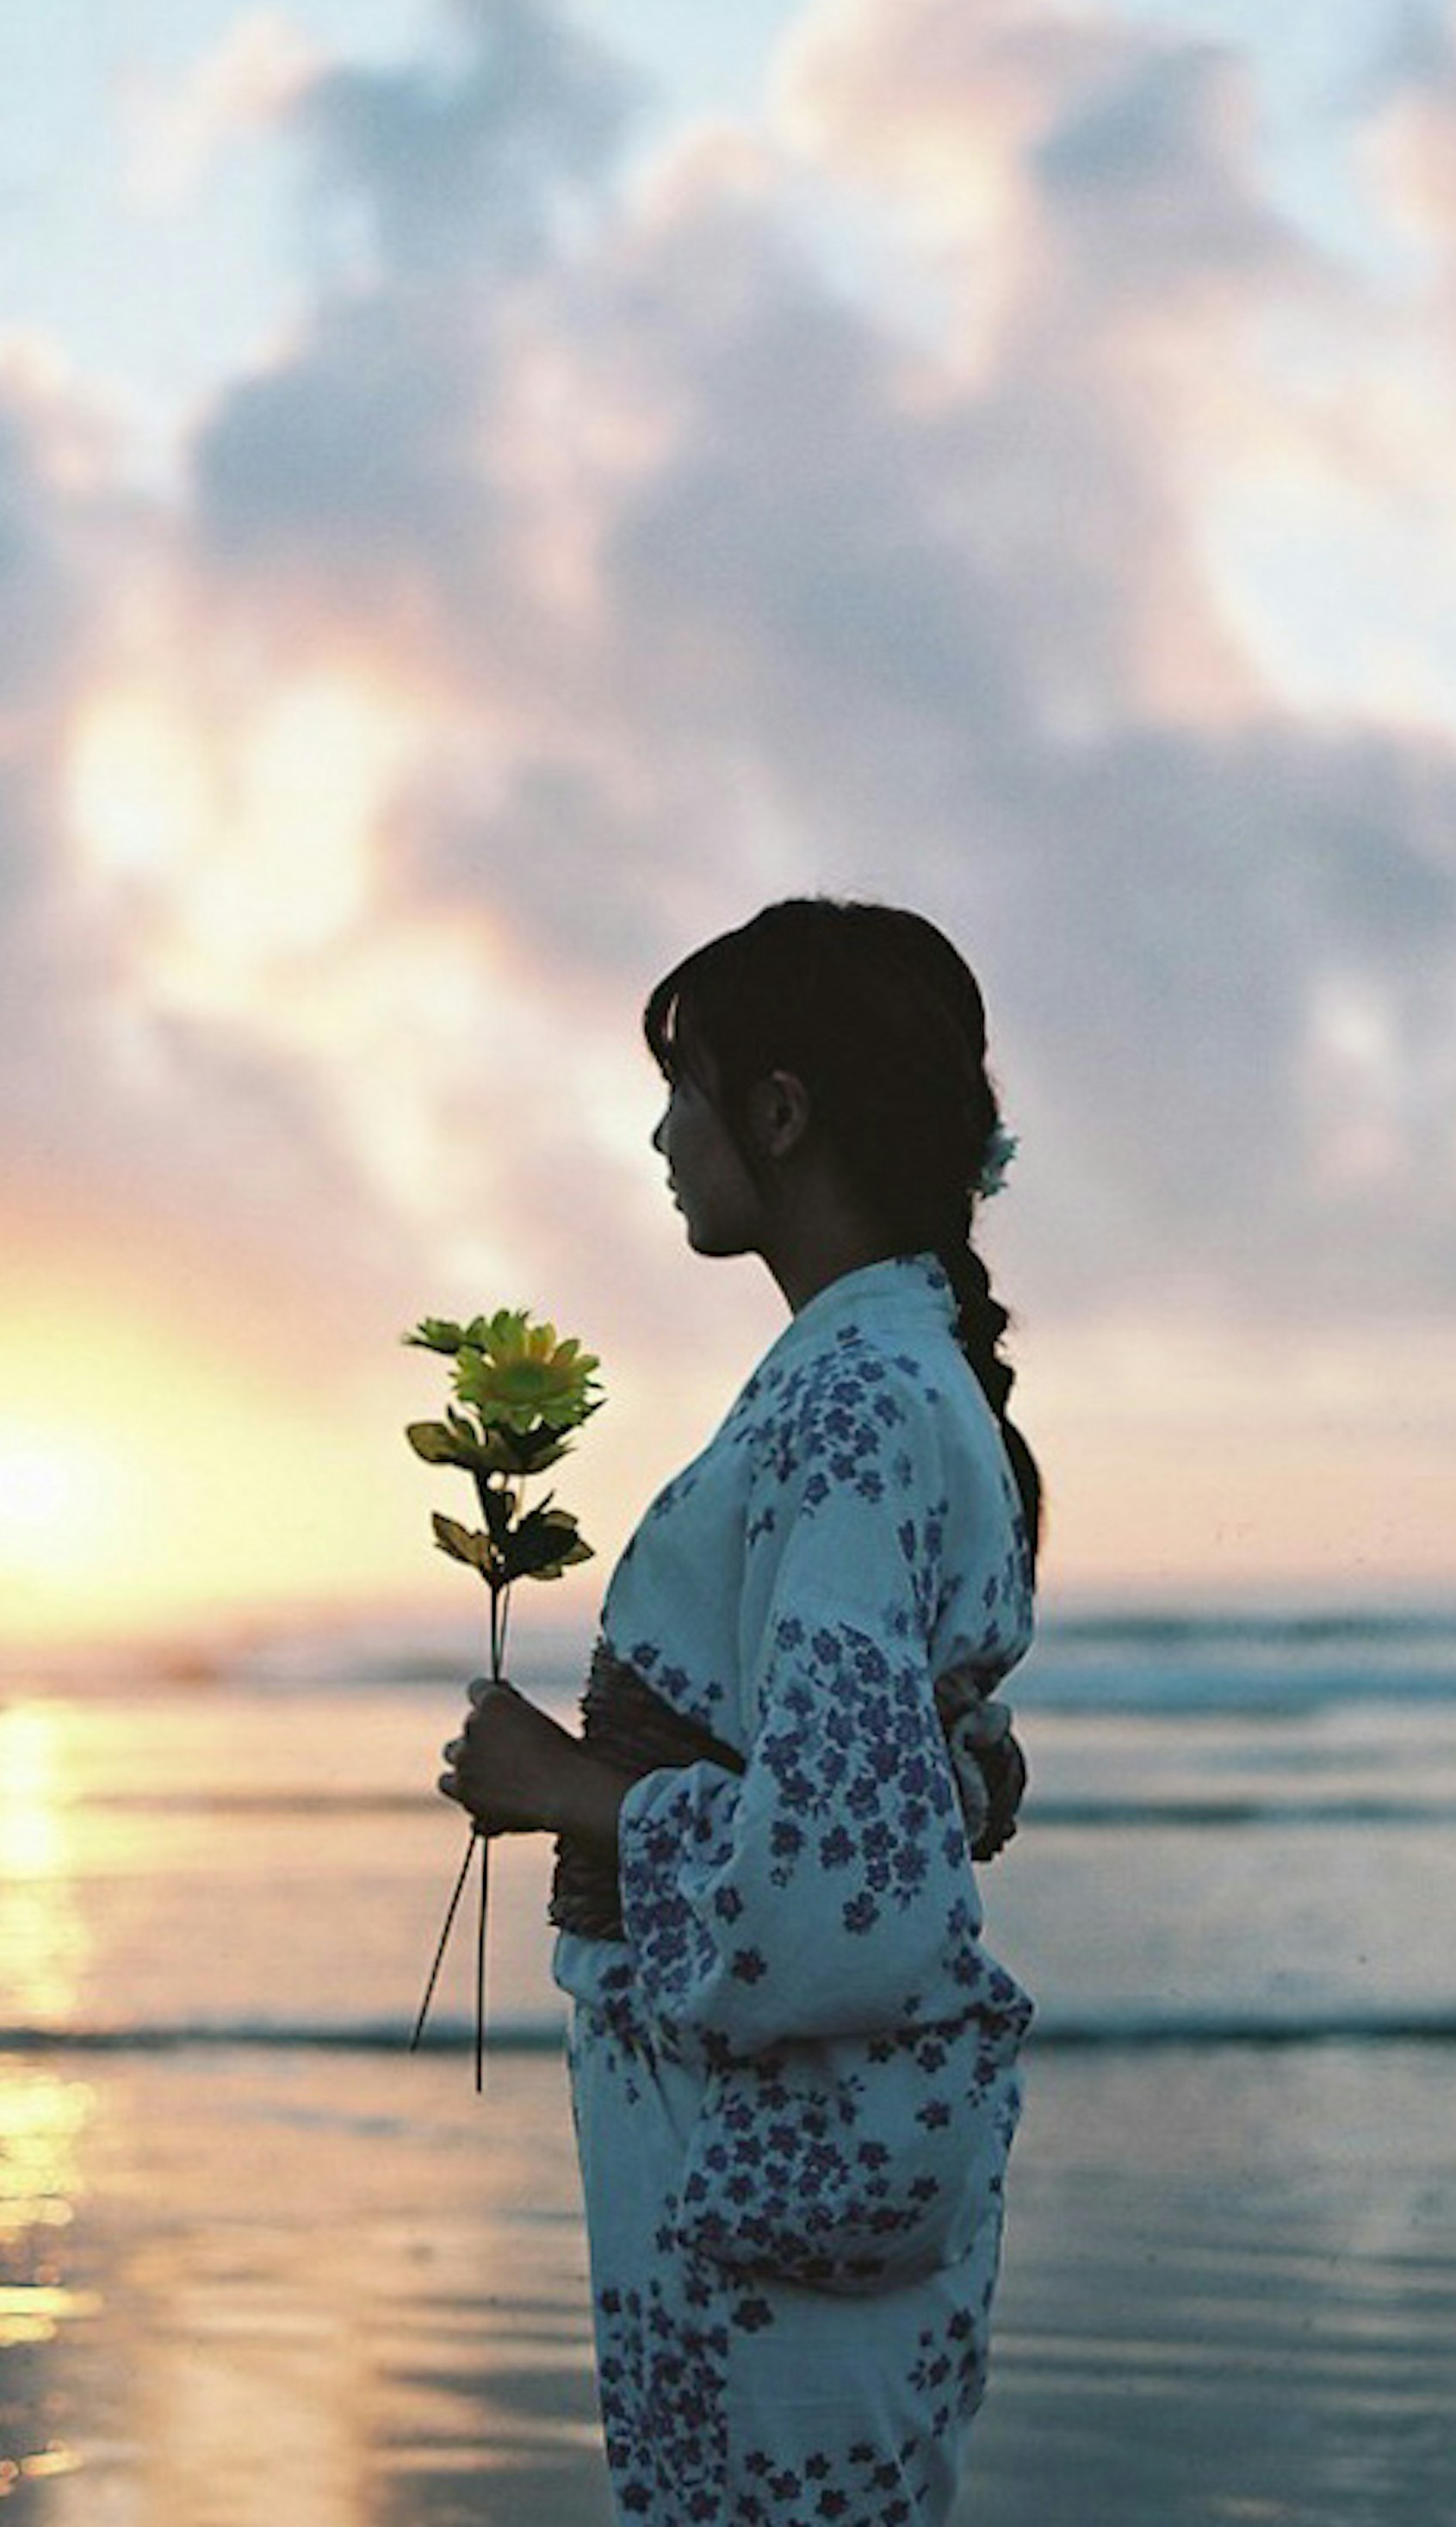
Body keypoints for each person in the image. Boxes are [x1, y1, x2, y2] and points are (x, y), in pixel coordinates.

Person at [439, 896, 1041, 2526]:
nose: (658, 1131)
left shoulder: (852, 1400)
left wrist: (560, 1785)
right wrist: (956, 1766)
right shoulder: (897, 1374)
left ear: (778, 1113)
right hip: (800, 2134)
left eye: (684, 1088)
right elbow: (901, 1779)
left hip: (763, 2132)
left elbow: (840, 1879)